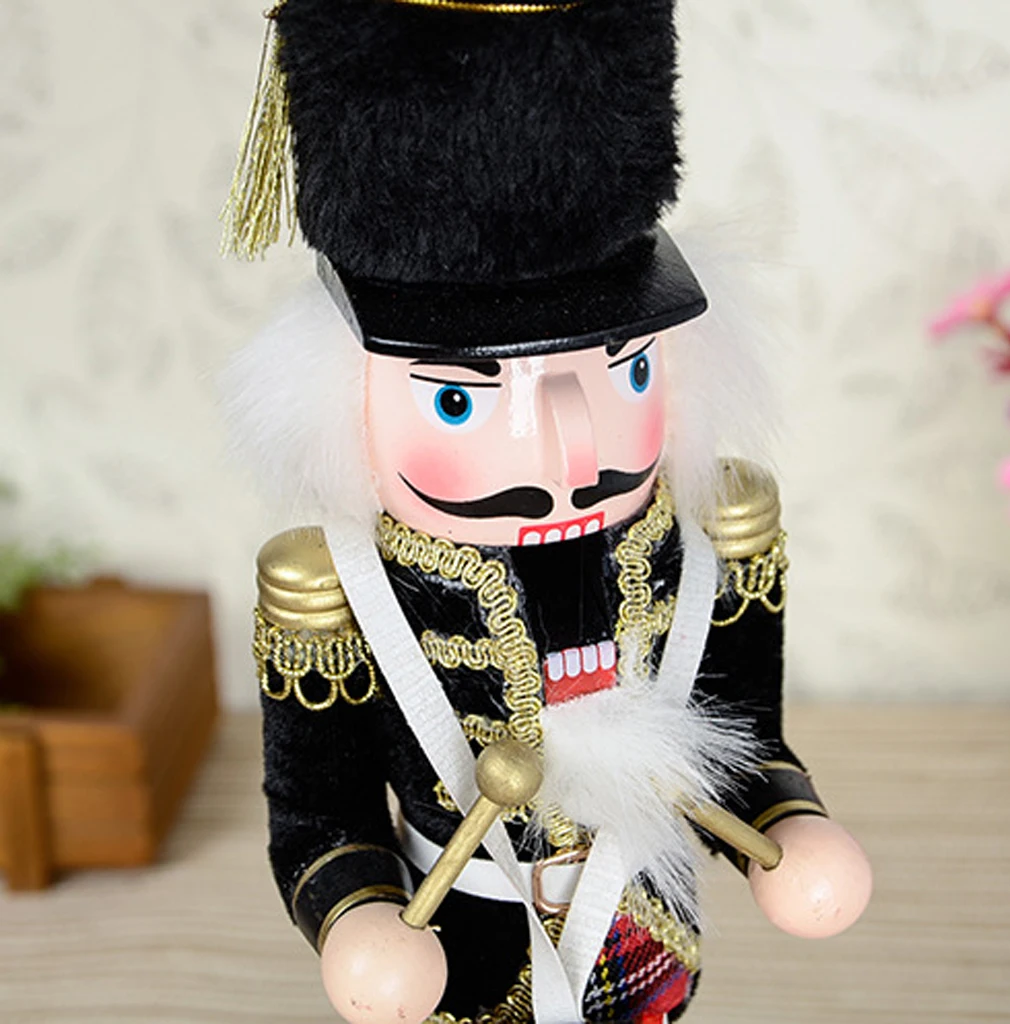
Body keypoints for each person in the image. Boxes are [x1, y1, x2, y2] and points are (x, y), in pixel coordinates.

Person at [222, 2, 871, 1020]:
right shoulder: (334, 592)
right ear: (342, 401)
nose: (571, 458)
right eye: (459, 399)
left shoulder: (709, 536)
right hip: (465, 966)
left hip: (647, 947)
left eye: (627, 370)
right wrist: (355, 921)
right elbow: (319, 812)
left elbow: (742, 738)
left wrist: (792, 828)